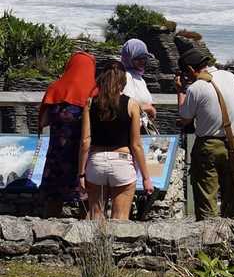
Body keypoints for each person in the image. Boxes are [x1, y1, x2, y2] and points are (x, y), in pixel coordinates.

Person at [77, 60, 153, 220]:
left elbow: (85, 141)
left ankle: (95, 245)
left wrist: (81, 174)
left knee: (95, 216)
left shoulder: (90, 103)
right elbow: (136, 145)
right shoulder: (131, 104)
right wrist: (146, 177)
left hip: (96, 162)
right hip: (122, 162)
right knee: (120, 218)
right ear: (123, 81)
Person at [176, 47, 234, 220]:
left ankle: (210, 238)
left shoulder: (196, 88)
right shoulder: (230, 76)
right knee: (232, 196)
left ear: (190, 70)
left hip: (209, 145)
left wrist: (180, 91)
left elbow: (185, 118)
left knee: (207, 198)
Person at [38, 51, 97, 218]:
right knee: (85, 200)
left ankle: (48, 234)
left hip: (57, 155)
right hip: (83, 157)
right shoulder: (93, 91)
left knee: (53, 200)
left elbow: (43, 122)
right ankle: (84, 239)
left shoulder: (55, 87)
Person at [120, 38, 158, 131]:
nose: (142, 61)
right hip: (132, 131)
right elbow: (124, 106)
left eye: (145, 57)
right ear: (128, 58)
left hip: (140, 128)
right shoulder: (126, 76)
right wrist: (148, 108)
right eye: (138, 58)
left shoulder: (138, 76)